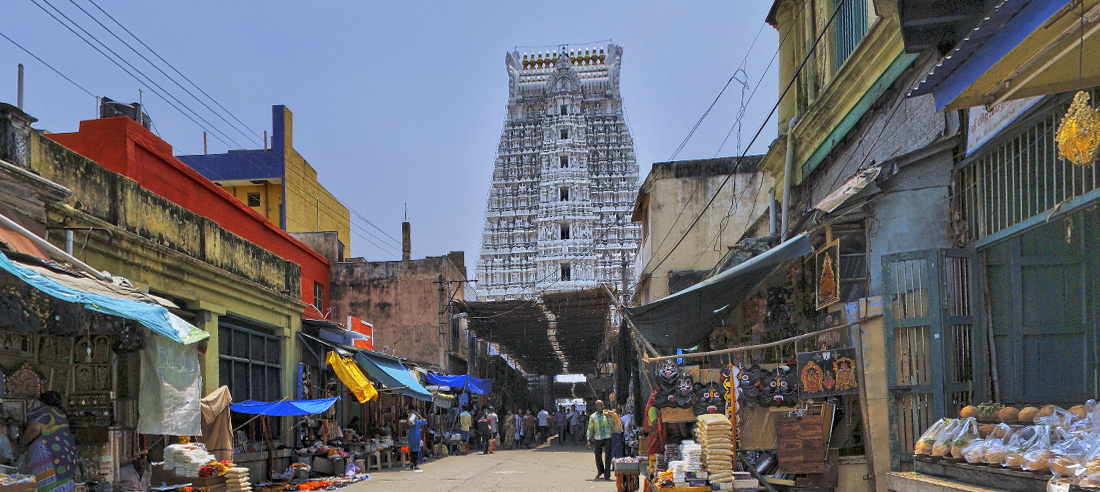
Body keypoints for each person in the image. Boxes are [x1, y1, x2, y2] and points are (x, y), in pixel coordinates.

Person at [21, 391, 77, 492]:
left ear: (42, 402)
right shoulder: (61, 413)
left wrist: (22, 443)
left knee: (48, 484)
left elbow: (35, 428)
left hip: (50, 456)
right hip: (65, 459)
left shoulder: (45, 412)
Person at [586, 400, 613, 481]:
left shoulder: (607, 415)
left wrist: (609, 418)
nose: (603, 407)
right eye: (601, 405)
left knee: (608, 456)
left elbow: (613, 424)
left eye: (603, 405)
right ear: (597, 407)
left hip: (607, 437)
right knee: (597, 455)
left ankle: (607, 476)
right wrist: (588, 439)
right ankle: (601, 470)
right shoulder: (593, 416)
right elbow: (590, 428)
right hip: (598, 438)